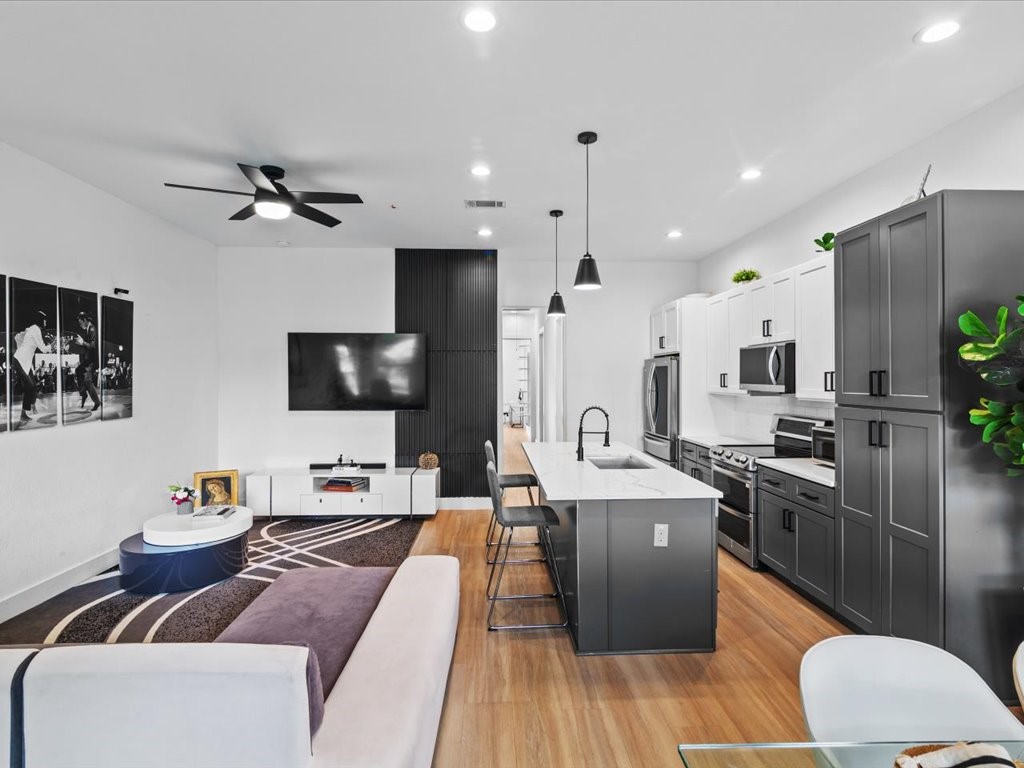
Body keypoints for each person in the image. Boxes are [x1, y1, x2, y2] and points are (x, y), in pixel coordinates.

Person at [12, 311, 48, 424]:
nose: (46, 322)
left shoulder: (31, 329)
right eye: (44, 320)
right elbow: (43, 349)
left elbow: (17, 337)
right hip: (20, 361)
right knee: (30, 386)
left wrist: (22, 337)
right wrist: (52, 345)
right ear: (40, 320)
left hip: (26, 363)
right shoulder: (36, 329)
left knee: (33, 387)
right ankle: (23, 414)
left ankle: (32, 406)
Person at [73, 311, 100, 411]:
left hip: (92, 360)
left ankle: (97, 402)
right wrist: (81, 344)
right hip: (88, 359)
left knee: (88, 380)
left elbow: (92, 345)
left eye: (80, 322)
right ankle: (83, 393)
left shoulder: (92, 329)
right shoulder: (88, 329)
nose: (80, 325)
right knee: (78, 370)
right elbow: (87, 346)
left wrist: (83, 342)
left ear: (85, 320)